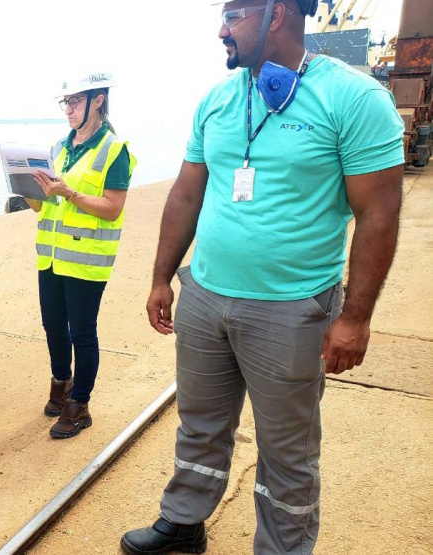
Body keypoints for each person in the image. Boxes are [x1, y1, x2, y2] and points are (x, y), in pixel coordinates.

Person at [120, 1, 404, 553]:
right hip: (204, 297)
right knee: (199, 422)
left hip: (291, 307)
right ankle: (183, 521)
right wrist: (162, 278)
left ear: (276, 14)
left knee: (286, 448)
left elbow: (379, 214)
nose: (221, 30)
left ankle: (282, 548)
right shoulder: (220, 97)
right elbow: (185, 193)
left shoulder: (355, 98)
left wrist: (356, 318)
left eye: (235, 15)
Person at [25, 71, 136, 439]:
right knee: (53, 325)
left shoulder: (114, 150)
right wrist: (28, 188)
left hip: (87, 259)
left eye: (74, 101)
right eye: (65, 102)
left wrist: (69, 193)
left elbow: (112, 208)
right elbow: (43, 208)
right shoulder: (59, 148)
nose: (68, 109)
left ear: (98, 100)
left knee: (82, 333)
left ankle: (80, 404)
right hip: (52, 257)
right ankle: (61, 384)